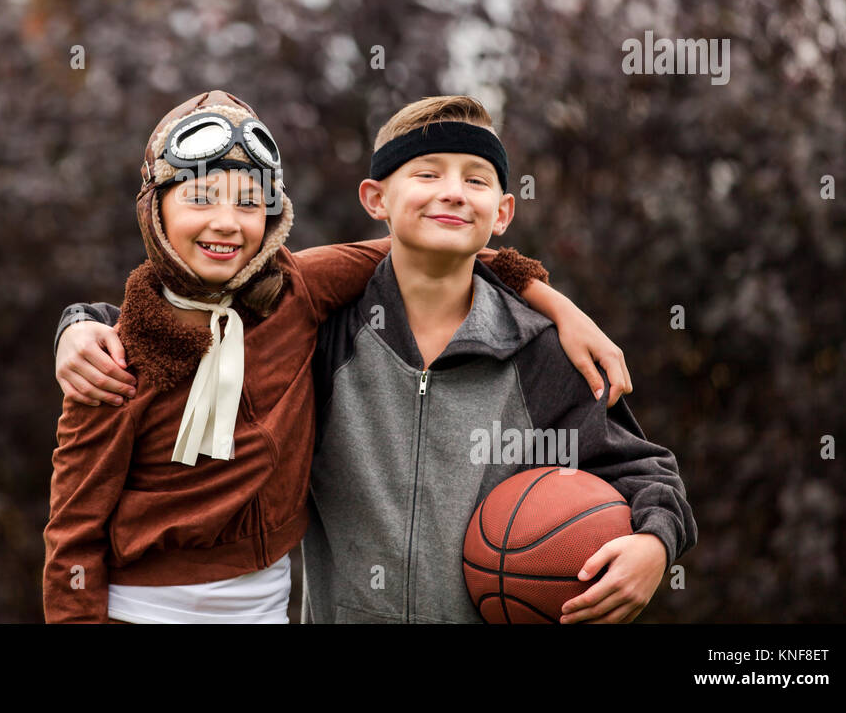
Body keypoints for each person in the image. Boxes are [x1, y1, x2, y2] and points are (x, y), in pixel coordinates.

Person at [46, 89, 633, 623]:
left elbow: (431, 243)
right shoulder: (113, 356)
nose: (226, 222)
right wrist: (75, 325)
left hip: (267, 606)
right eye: (200, 197)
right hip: (142, 609)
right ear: (155, 210)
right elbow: (72, 535)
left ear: (273, 218)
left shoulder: (297, 291)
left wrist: (553, 303)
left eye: (249, 203)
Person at [300, 95, 696, 622]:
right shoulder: (324, 339)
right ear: (376, 199)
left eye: (476, 180)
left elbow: (643, 470)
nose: (452, 193)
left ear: (503, 212)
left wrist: (656, 545)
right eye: (426, 174)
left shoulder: (543, 354)